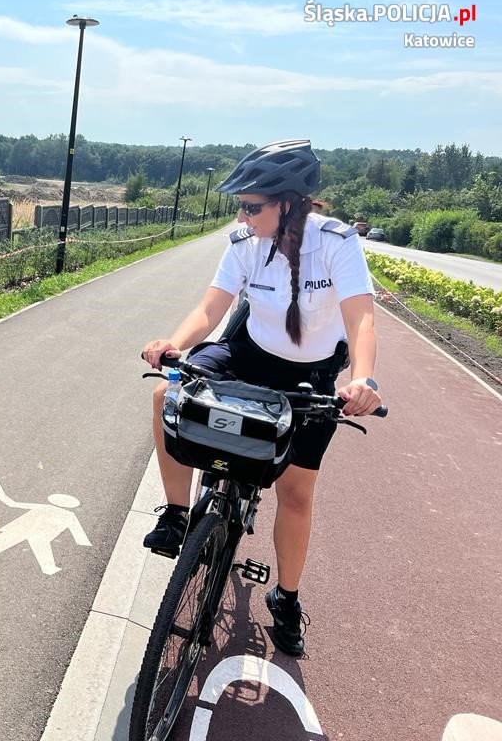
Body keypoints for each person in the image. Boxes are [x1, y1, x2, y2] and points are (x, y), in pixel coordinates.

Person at [140, 139, 383, 656]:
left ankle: (286, 597)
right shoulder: (243, 244)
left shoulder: (336, 242)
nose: (243, 216)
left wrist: (363, 379)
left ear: (289, 204)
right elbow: (211, 310)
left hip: (311, 375)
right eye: (241, 207)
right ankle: (178, 513)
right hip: (248, 351)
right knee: (167, 393)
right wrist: (174, 344)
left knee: (296, 493)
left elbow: (360, 317)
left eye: (253, 207)